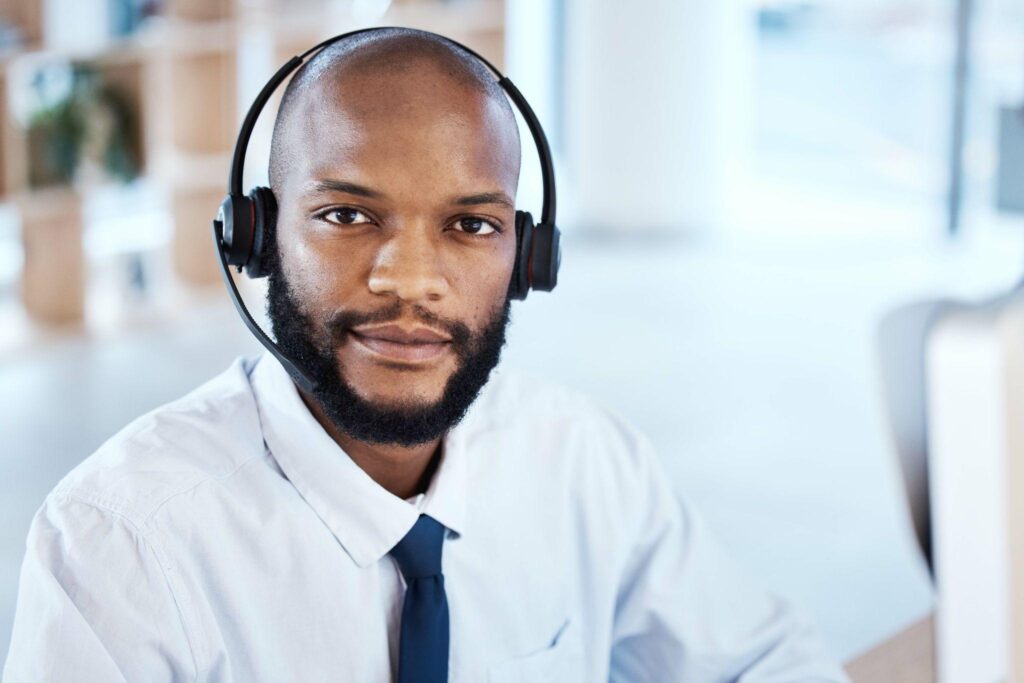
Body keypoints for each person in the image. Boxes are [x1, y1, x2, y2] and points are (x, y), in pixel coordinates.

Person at [3, 28, 848, 682]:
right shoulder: (117, 547)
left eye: (471, 225)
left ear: (529, 259)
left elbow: (763, 658)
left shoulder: (584, 462)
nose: (410, 280)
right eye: (346, 215)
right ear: (255, 236)